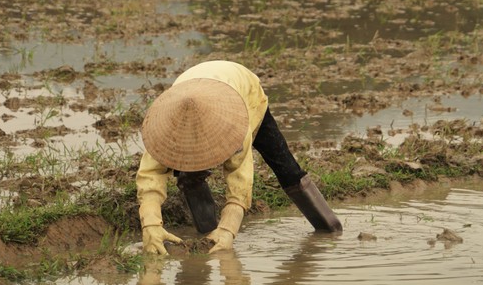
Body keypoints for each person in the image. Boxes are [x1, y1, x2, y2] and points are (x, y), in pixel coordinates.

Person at [136, 60, 342, 254]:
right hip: (190, 95)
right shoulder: (163, 128)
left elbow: (240, 179)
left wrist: (228, 229)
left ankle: (330, 228)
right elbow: (150, 176)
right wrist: (151, 225)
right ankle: (207, 236)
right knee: (188, 176)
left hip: (243, 91)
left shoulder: (234, 124)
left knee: (284, 165)